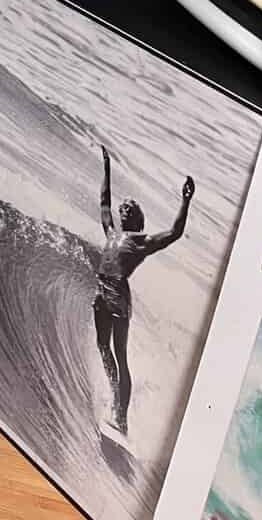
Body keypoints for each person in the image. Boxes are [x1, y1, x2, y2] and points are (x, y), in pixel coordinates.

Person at [95, 144, 195, 438]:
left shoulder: (142, 242)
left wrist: (185, 200)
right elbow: (104, 200)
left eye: (131, 208)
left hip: (118, 297)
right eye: (124, 207)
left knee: (120, 355)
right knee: (102, 347)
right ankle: (114, 395)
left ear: (137, 220)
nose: (125, 208)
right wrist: (107, 166)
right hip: (101, 292)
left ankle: (122, 419)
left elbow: (175, 233)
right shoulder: (111, 232)